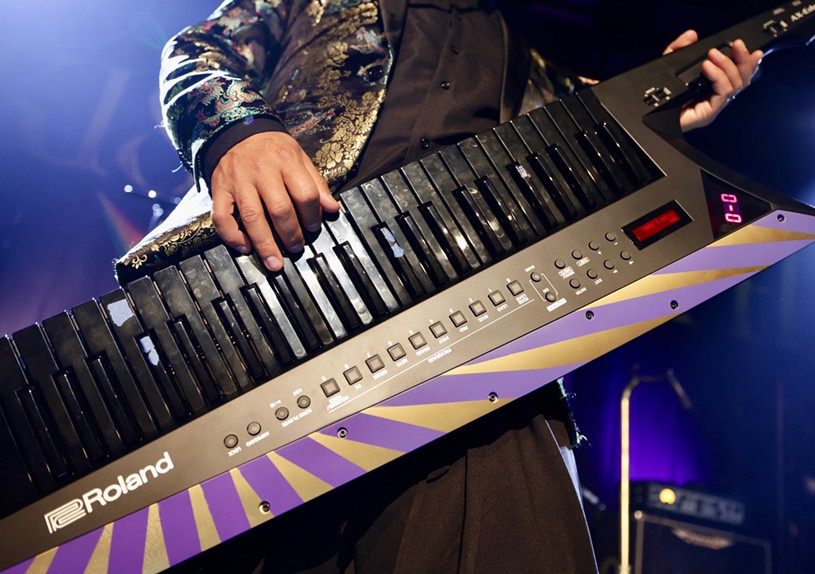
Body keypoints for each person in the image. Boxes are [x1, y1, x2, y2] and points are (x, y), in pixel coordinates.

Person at [117, 1, 762, 572]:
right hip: (273, 295)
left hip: (466, 342)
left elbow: (606, 113)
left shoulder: (527, 62)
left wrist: (669, 94)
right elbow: (199, 50)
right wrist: (239, 133)